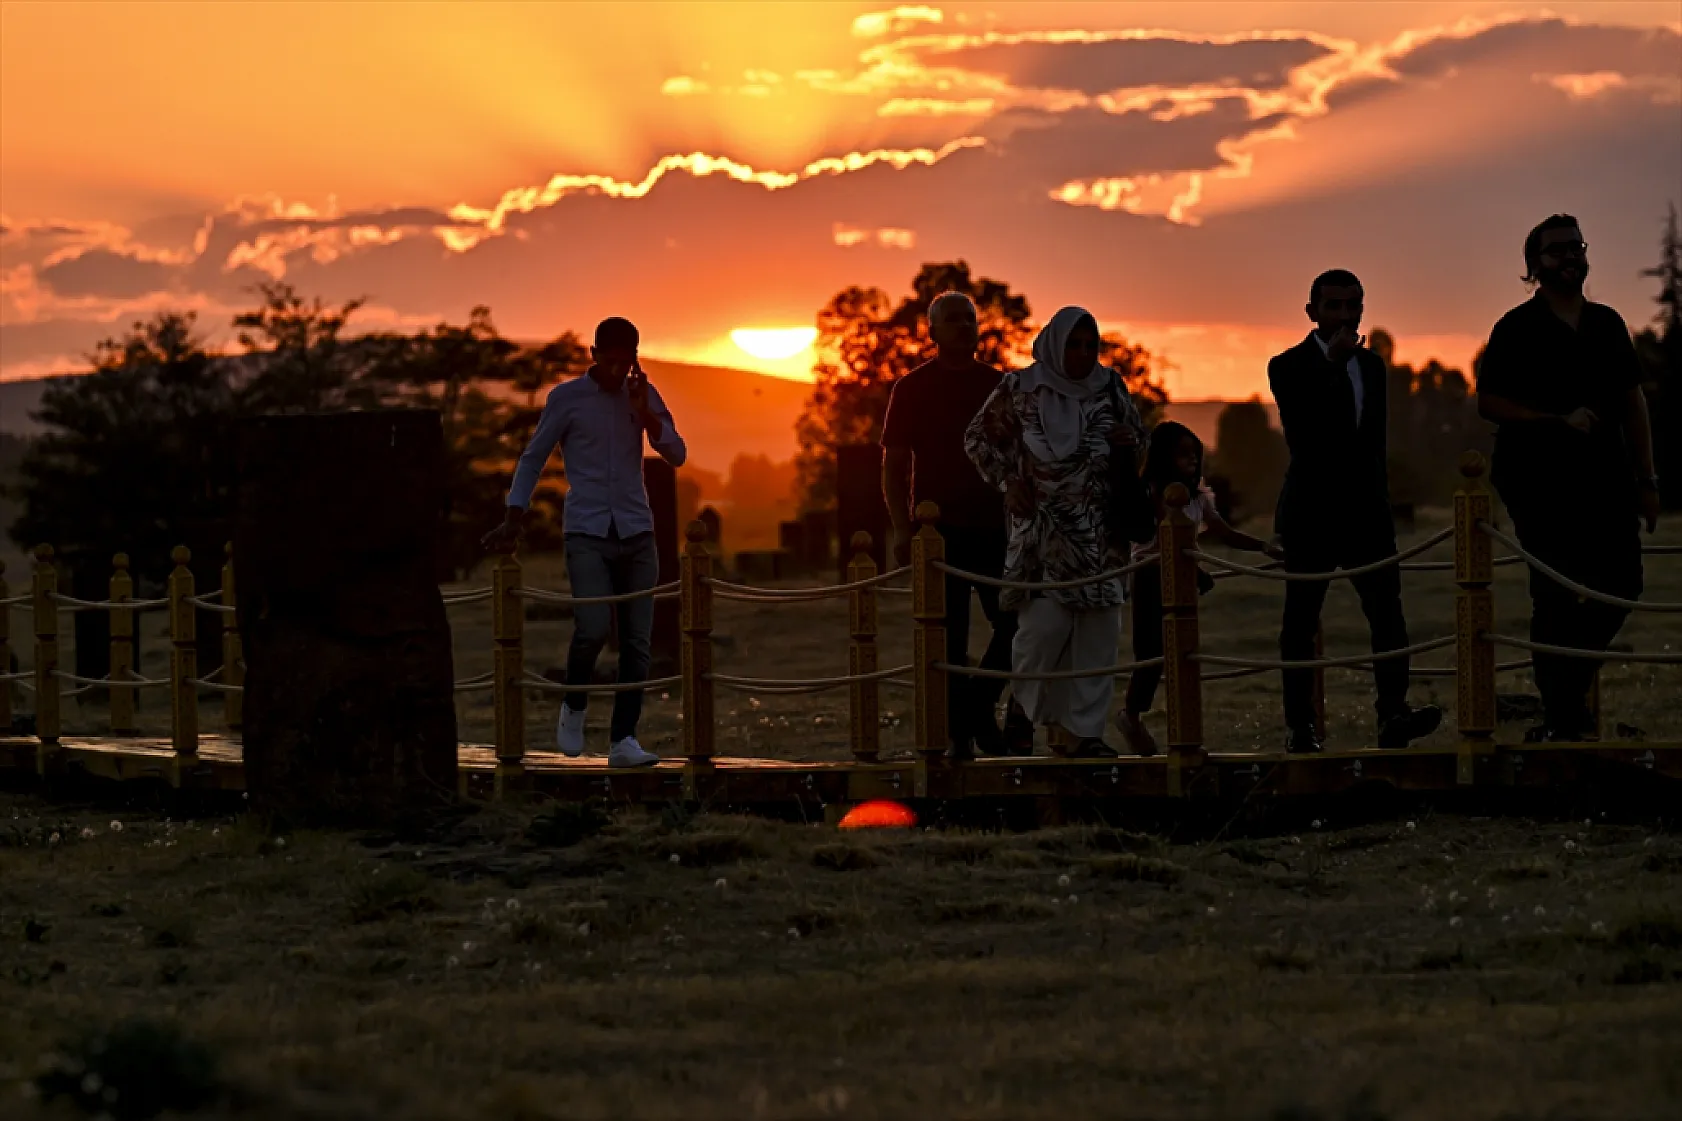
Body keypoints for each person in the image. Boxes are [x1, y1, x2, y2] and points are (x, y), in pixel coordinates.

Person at [1476, 214, 1660, 742]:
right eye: (1556, 250)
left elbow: (1633, 404)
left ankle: (1563, 697)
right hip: (1537, 480)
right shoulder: (1515, 328)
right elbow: (1489, 403)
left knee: (1625, 584)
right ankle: (1564, 718)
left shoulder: (1607, 324)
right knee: (1553, 594)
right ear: (1534, 264)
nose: (1570, 257)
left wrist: (1647, 480)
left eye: (1576, 247)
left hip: (1606, 479)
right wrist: (1554, 421)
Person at [481, 316, 686, 768]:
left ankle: (623, 740)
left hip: (636, 530)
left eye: (626, 361)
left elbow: (677, 454)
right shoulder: (567, 399)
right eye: (609, 361)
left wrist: (646, 413)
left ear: (636, 358)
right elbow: (534, 457)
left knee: (637, 643)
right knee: (592, 627)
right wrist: (515, 515)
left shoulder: (643, 395)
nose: (617, 370)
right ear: (594, 355)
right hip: (587, 530)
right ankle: (573, 705)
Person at [1269, 270, 1442, 753]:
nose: (1346, 315)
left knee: (1389, 618)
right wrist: (1331, 365)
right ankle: (1300, 729)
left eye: (1353, 305)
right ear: (1312, 312)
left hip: (1367, 515)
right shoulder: (1286, 367)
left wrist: (1382, 504)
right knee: (1300, 624)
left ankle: (1393, 716)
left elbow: (1374, 443)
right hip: (1312, 514)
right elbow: (1305, 438)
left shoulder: (1372, 367)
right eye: (1335, 306)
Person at [965, 306, 1144, 757]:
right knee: (1042, 627)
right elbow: (977, 439)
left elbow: (1134, 435)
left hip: (1102, 534)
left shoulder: (1110, 387)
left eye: (1090, 345)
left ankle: (1084, 736)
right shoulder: (1020, 388)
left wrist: (1128, 442)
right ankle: (1023, 712)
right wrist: (1008, 483)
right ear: (1053, 344)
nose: (1083, 353)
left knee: (1100, 635)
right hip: (1044, 533)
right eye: (1073, 344)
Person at [882, 292, 1033, 759]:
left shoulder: (1000, 385)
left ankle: (975, 706)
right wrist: (902, 528)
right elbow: (893, 462)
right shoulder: (911, 388)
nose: (965, 326)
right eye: (953, 320)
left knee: (1016, 626)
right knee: (948, 639)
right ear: (932, 331)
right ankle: (960, 740)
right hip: (939, 530)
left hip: (996, 526)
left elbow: (1022, 453)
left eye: (970, 319)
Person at [1115, 422, 1281, 756]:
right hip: (1150, 575)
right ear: (1165, 457)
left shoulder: (1196, 497)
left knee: (1179, 650)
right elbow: (1161, 542)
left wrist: (1264, 548)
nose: (1191, 461)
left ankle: (1174, 725)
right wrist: (1196, 570)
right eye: (1182, 455)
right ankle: (1131, 715)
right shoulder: (1152, 492)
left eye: (1194, 454)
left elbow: (1224, 532)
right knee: (1151, 652)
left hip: (1181, 575)